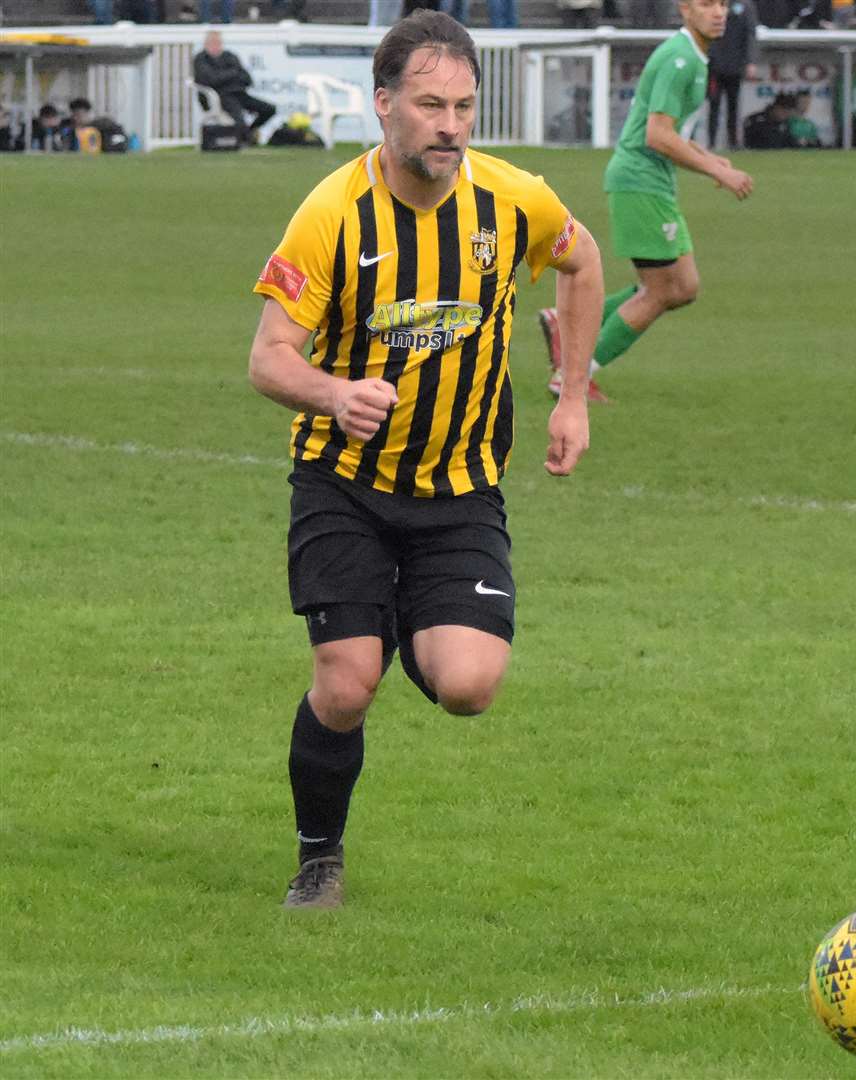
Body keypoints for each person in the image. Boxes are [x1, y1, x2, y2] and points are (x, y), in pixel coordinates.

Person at [248, 9, 603, 909]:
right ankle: (318, 857)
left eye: (464, 107)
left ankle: (398, 612)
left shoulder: (511, 200)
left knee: (470, 687)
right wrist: (333, 392)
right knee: (346, 681)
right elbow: (268, 357)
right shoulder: (331, 214)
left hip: (459, 490)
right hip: (345, 482)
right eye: (430, 104)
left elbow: (583, 257)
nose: (449, 125)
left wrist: (569, 393)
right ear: (383, 105)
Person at [540, 0, 752, 403]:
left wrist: (709, 159)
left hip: (653, 182)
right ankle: (573, 376)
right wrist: (717, 172)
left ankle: (562, 322)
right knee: (659, 291)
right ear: (685, 8)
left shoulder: (691, 55)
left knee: (684, 286)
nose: (719, 12)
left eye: (723, 3)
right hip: (640, 180)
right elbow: (657, 136)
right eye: (707, 3)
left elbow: (666, 130)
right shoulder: (680, 59)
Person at [193, 31, 277, 144]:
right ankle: (245, 138)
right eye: (212, 43)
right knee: (238, 118)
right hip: (219, 96)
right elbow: (211, 80)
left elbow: (247, 79)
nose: (216, 46)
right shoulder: (201, 59)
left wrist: (225, 76)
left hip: (239, 94)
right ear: (206, 44)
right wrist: (232, 74)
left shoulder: (230, 56)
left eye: (218, 43)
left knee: (269, 109)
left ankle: (249, 133)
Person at [706, 0, 759, 152]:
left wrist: (750, 61)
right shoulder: (713, 5)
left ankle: (733, 142)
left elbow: (750, 34)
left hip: (735, 65)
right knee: (714, 104)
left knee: (733, 106)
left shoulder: (745, 6)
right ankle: (711, 142)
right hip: (715, 65)